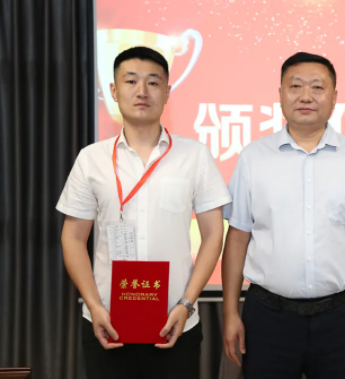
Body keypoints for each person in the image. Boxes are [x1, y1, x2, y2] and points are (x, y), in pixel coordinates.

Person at [57, 46, 231, 379]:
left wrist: (186, 304)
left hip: (176, 322)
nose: (142, 91)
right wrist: (94, 306)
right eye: (131, 81)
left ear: (167, 92)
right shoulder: (91, 159)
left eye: (153, 82)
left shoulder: (195, 156)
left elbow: (212, 236)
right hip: (107, 323)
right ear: (113, 90)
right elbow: (73, 238)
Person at [221, 52, 345, 378]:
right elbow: (238, 238)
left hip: (342, 317)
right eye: (295, 86)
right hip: (268, 316)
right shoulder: (254, 157)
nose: (306, 96)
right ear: (280, 94)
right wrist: (230, 313)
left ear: (334, 97)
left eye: (317, 87)